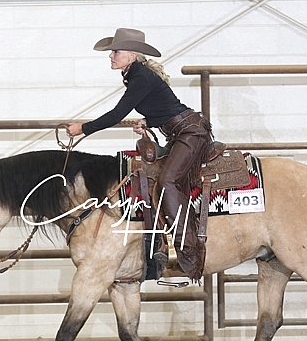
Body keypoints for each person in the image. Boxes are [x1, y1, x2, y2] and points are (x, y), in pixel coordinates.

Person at [65, 28, 213, 280]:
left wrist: (83, 128)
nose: (111, 56)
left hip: (190, 134)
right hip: (182, 132)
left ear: (132, 55)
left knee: (168, 181)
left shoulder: (141, 77)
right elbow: (167, 108)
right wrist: (149, 121)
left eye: (116, 51)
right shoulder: (137, 75)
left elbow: (117, 113)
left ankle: (188, 251)